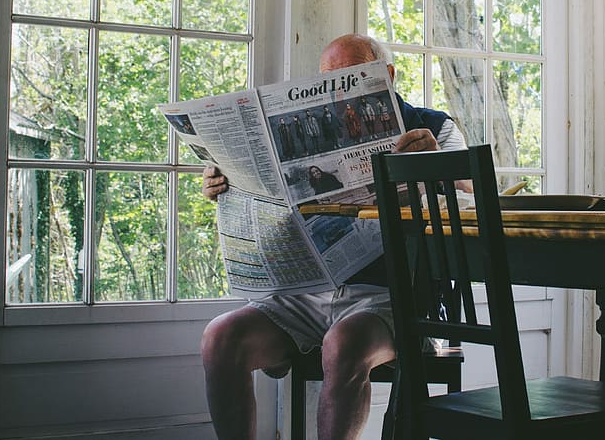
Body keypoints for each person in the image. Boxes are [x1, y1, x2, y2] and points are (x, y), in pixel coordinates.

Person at [200, 33, 469, 440]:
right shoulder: (298, 137)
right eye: (329, 80)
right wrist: (223, 182)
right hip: (304, 294)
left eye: (352, 77)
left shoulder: (431, 128)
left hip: (390, 297)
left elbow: (472, 204)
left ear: (387, 76)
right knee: (220, 337)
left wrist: (436, 166)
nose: (338, 93)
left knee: (343, 344)